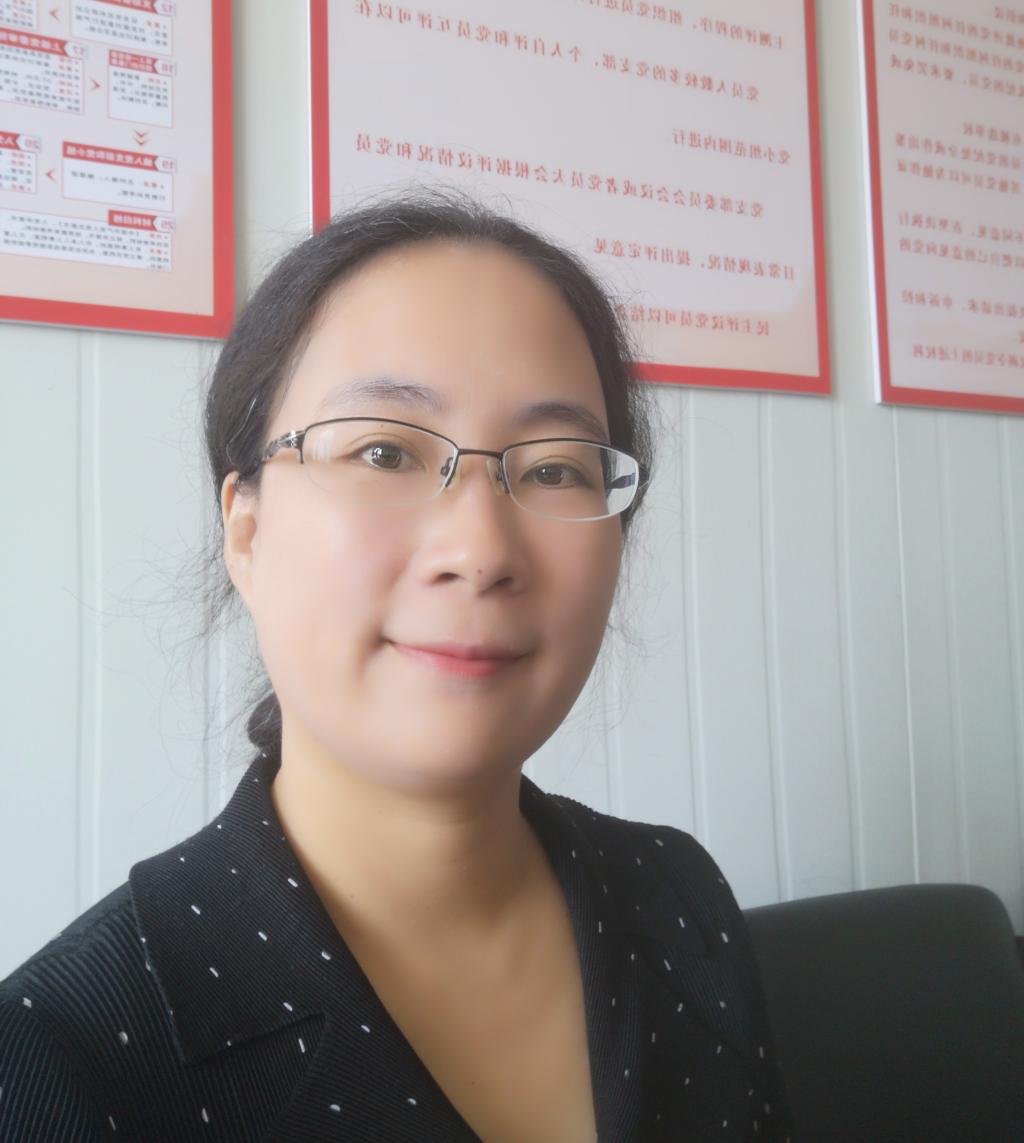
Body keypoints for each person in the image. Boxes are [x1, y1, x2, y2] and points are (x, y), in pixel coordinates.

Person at [0, 189, 794, 1142]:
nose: (481, 549)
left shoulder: (677, 895)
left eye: (553, 468)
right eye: (384, 451)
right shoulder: (60, 1057)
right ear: (245, 531)